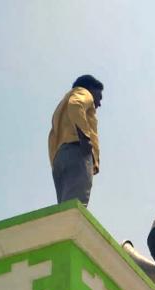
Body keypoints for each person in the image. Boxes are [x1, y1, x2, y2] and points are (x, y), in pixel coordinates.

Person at [48, 75, 103, 205]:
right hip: (77, 151)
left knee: (65, 208)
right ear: (90, 89)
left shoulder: (63, 105)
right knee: (75, 205)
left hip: (60, 158)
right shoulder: (83, 93)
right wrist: (85, 138)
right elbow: (77, 105)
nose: (99, 103)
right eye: (99, 97)